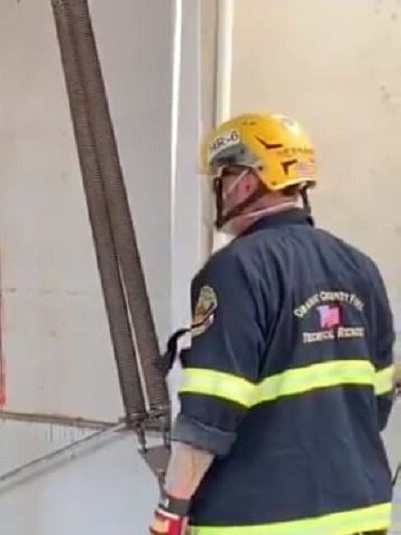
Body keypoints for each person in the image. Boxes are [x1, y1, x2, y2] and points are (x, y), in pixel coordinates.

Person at [148, 113, 395, 535]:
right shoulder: (360, 268)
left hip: (263, 520)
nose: (220, 191)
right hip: (360, 515)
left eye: (222, 178)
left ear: (245, 182)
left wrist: (172, 509)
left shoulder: (236, 270)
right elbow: (378, 402)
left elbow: (211, 410)